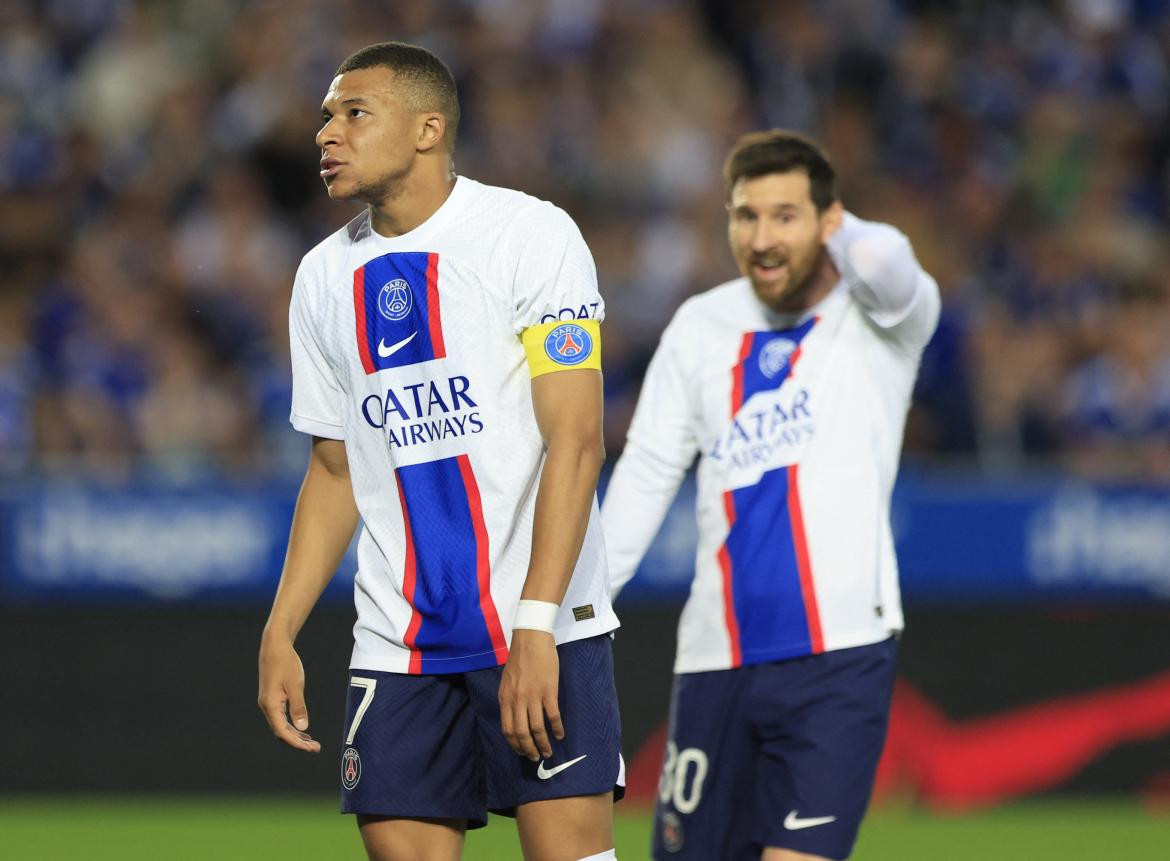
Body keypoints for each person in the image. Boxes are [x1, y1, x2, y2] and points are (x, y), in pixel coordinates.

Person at [257, 41, 623, 861]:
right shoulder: (321, 277)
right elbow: (334, 467)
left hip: (541, 623)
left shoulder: (529, 234)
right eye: (324, 117)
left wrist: (536, 625)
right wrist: (281, 629)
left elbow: (578, 438)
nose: (327, 134)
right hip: (398, 640)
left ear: (428, 129)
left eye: (354, 113)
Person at [600, 130, 940, 861]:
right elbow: (649, 468)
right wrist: (580, 606)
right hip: (714, 657)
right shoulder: (701, 324)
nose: (760, 236)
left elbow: (890, 263)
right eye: (745, 216)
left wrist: (838, 231)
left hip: (839, 659)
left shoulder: (882, 320)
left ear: (829, 222)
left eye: (785, 215)